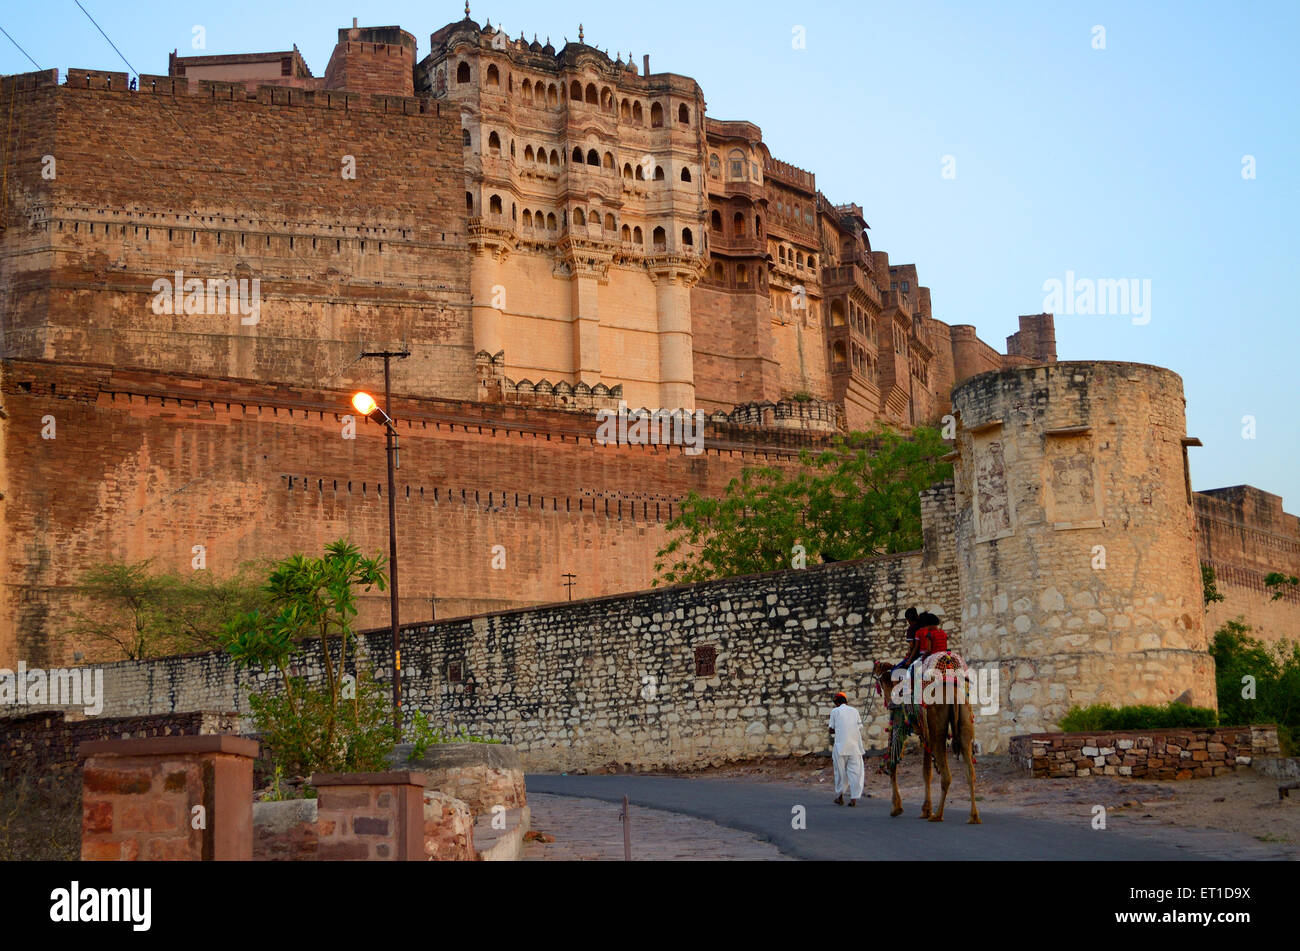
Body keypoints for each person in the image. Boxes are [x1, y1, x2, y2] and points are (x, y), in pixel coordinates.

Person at [828, 691, 865, 806]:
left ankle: (840, 797)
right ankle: (854, 799)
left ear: (837, 702)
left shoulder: (835, 711)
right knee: (855, 773)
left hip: (840, 747)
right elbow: (859, 727)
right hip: (854, 747)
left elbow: (831, 730)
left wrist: (838, 729)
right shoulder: (855, 711)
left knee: (840, 773)